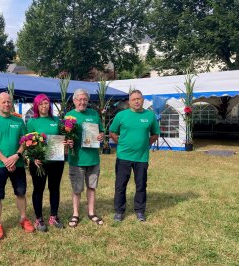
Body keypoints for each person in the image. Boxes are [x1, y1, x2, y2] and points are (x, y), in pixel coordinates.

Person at [0, 92, 35, 240]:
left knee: (20, 192)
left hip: (18, 164)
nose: (7, 104)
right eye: (4, 102)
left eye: (9, 101)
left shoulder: (19, 121)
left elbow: (25, 142)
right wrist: (5, 160)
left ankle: (23, 219)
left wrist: (16, 156)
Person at [109, 90, 160, 222]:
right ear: (129, 102)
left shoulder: (150, 116)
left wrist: (145, 143)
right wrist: (119, 143)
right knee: (120, 185)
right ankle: (119, 211)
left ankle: (140, 211)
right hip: (123, 157)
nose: (136, 101)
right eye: (133, 99)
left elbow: (155, 134)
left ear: (143, 100)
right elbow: (112, 132)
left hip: (141, 157)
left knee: (141, 185)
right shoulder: (121, 115)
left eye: (139, 98)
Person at [27, 94, 70, 231]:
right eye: (41, 104)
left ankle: (53, 216)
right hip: (39, 162)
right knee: (38, 189)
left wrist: (65, 143)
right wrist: (33, 159)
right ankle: (39, 219)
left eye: (46, 103)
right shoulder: (32, 122)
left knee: (54, 188)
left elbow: (63, 139)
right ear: (36, 106)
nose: (44, 106)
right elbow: (28, 143)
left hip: (56, 160)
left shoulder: (57, 120)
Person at [66, 88, 105, 227]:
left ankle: (91, 212)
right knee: (77, 189)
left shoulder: (94, 114)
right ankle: (75, 214)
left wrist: (101, 136)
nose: (82, 102)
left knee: (92, 186)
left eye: (85, 99)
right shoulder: (69, 116)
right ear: (74, 100)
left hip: (93, 158)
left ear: (88, 101)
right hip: (76, 159)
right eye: (79, 99)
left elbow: (101, 132)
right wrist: (67, 141)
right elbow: (64, 137)